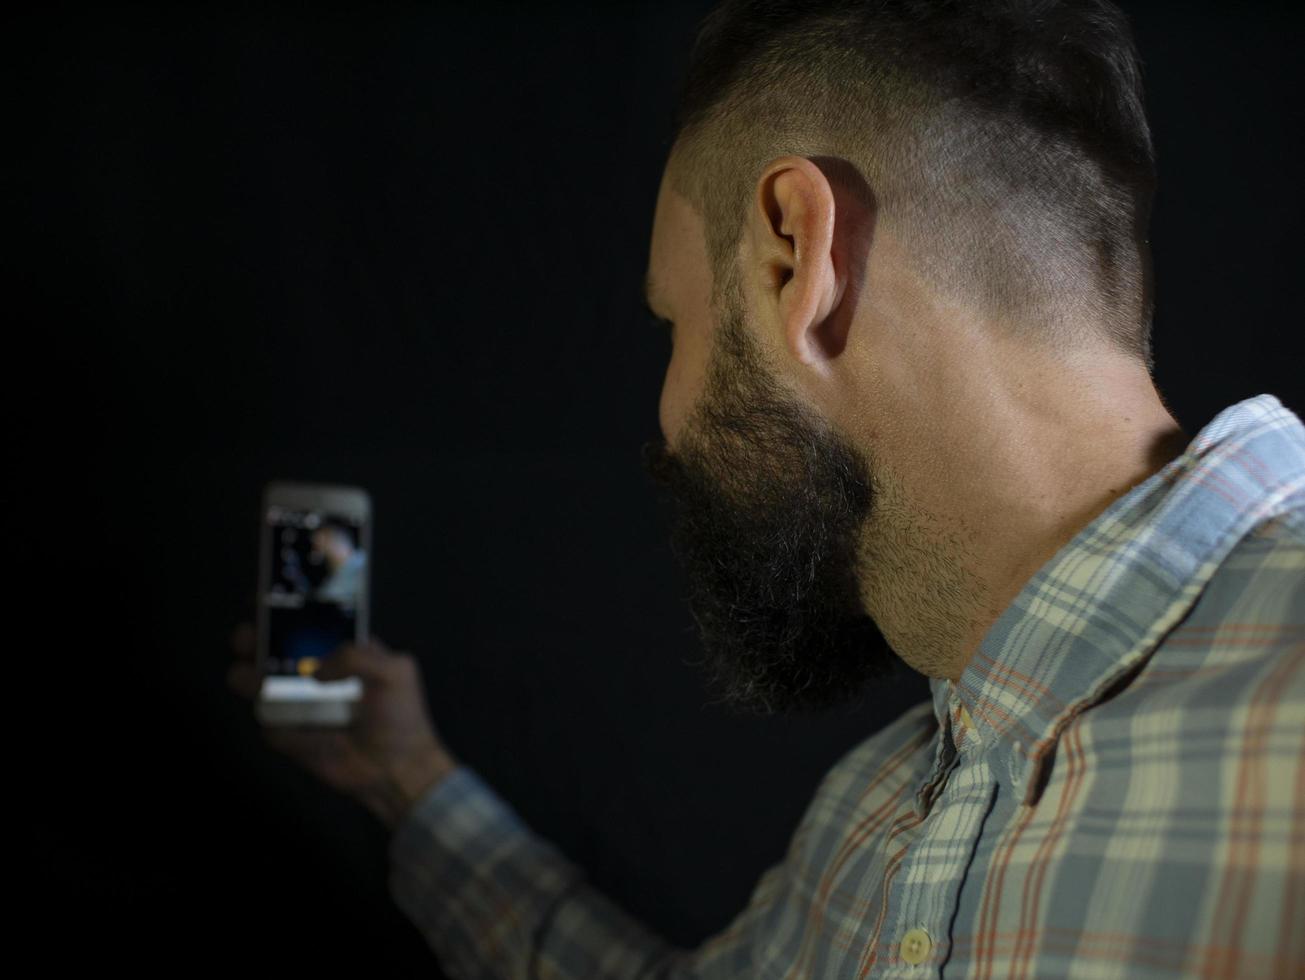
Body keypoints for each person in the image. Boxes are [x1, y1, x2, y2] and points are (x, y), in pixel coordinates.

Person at [228, 0, 1305, 976]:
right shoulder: (880, 811)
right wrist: (405, 777)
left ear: (799, 257)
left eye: (673, 323)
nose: (666, 413)